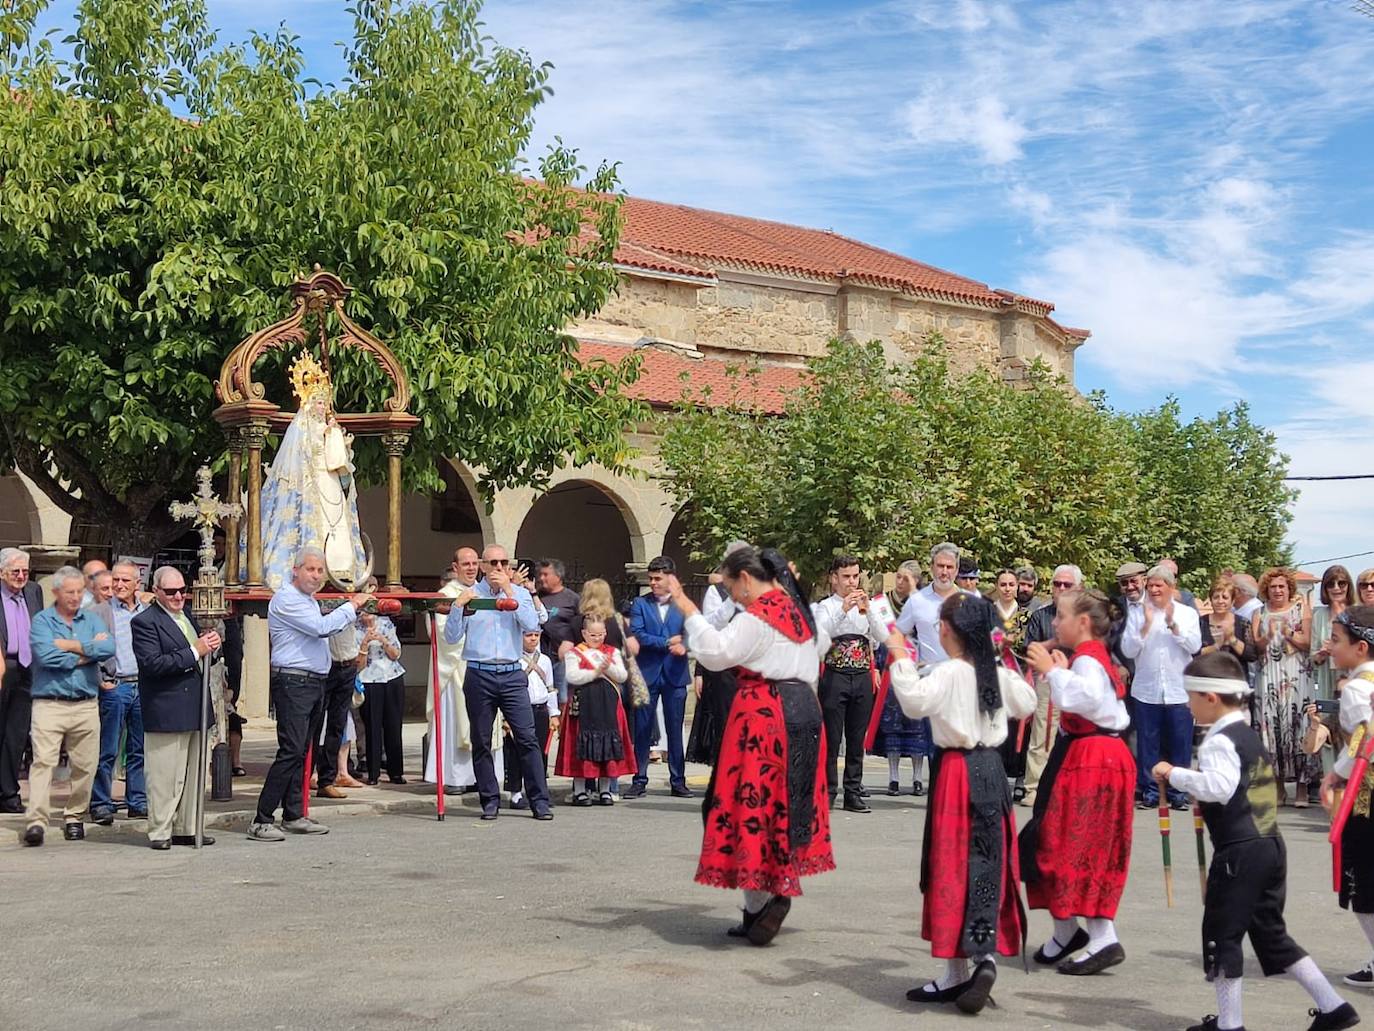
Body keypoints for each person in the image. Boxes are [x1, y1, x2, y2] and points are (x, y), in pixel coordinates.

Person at [1161, 650, 1359, 1031]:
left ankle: (1230, 1024)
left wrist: (1175, 774)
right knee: (1271, 934)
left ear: (1211, 698)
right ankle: (1333, 1006)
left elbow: (1219, 787)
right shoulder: (1247, 734)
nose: (1187, 706)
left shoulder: (1219, 741)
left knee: (1222, 935)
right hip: (1269, 845)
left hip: (1239, 852)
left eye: (1191, 697)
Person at [667, 546, 834, 946]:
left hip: (765, 715)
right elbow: (821, 646)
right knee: (787, 807)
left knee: (746, 807)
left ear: (745, 579)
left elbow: (717, 653)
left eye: (730, 586)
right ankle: (760, 904)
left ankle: (764, 901)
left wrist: (687, 607)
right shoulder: (800, 612)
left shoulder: (758, 616)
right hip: (804, 710)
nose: (732, 594)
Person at [886, 592, 1036, 1014]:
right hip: (991, 770)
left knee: (951, 866)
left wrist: (898, 656)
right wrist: (1000, 660)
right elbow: (1026, 702)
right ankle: (983, 958)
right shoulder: (993, 671)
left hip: (957, 773)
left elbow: (914, 701)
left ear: (947, 630)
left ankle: (956, 972)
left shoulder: (950, 671)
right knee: (986, 863)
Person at [1021, 589, 1135, 976]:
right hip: (1088, 753)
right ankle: (1068, 931)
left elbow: (1086, 700)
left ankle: (1102, 936)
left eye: (1061, 616)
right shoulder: (1088, 656)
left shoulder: (1088, 658)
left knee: (1078, 845)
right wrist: (1058, 666)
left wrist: (1053, 671)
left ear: (1083, 622)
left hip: (1094, 758)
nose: (1055, 622)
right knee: (1053, 838)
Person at [249, 547, 368, 842]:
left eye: (320, 571)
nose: (316, 576)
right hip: (294, 682)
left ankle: (293, 814)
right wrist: (352, 605)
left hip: (314, 682)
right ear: (296, 570)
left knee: (303, 751)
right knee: (291, 750)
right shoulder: (287, 598)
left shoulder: (309, 600)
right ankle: (262, 818)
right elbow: (320, 628)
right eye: (310, 569)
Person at [443, 543, 552, 822]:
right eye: (493, 563)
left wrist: (509, 591)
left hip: (512, 672)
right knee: (481, 740)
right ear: (483, 566)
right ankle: (490, 800)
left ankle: (539, 801)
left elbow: (531, 624)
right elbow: (452, 637)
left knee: (527, 738)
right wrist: (457, 607)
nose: (499, 568)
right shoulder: (472, 595)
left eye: (504, 562)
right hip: (480, 673)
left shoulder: (519, 593)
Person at [256, 353, 368, 591]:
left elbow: (339, 460)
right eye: (318, 402)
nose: (322, 407)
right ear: (308, 403)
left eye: (324, 403)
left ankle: (340, 569)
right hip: (312, 482)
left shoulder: (330, 428)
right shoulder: (303, 428)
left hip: (331, 481)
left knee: (338, 523)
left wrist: (339, 442)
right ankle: (312, 568)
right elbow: (298, 455)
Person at [22, 566, 115, 846]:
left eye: (79, 592)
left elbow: (108, 649)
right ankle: (36, 821)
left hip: (85, 704)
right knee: (43, 762)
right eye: (69, 592)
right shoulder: (42, 621)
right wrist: (86, 651)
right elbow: (46, 656)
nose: (75, 597)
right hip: (49, 703)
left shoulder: (92, 618)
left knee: (86, 765)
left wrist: (68, 645)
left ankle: (74, 815)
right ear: (56, 592)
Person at [131, 566, 220, 850]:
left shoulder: (189, 616)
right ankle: (160, 830)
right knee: (165, 776)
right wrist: (195, 651)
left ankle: (187, 827)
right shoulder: (145, 622)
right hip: (167, 708)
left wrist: (211, 647)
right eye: (171, 592)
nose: (178, 596)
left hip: (195, 705)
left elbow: (203, 656)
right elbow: (153, 664)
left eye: (182, 590)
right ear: (156, 591)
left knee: (195, 774)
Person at [1321, 606, 1374, 989]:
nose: (1330, 646)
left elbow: (1364, 740)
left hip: (1366, 795)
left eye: (1336, 640)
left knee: (1361, 881)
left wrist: (1335, 774)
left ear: (1361, 647)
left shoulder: (1356, 689)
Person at [1121, 564, 1201, 810]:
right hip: (1147, 690)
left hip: (1178, 690)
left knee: (1180, 743)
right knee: (1148, 744)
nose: (1154, 590)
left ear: (1171, 587)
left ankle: (1178, 792)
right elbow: (1127, 650)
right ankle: (1151, 791)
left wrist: (1173, 625)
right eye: (1151, 585)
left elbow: (1195, 646)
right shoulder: (1138, 613)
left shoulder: (1187, 613)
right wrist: (1145, 627)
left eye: (1159, 585)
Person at [812, 555, 882, 812]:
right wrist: (843, 609)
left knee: (856, 738)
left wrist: (870, 611)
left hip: (861, 675)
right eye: (846, 577)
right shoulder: (825, 606)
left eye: (855, 576)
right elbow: (821, 635)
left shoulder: (869, 604)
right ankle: (829, 791)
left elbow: (881, 637)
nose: (852, 582)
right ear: (834, 578)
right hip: (835, 675)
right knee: (831, 737)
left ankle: (853, 791)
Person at [89, 561, 149, 824]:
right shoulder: (98, 612)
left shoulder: (147, 611)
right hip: (116, 686)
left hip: (143, 686)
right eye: (116, 580)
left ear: (137, 584)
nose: (120, 585)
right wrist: (101, 680)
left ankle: (137, 801)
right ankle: (101, 802)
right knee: (108, 749)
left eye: (125, 580)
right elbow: (87, 650)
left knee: (139, 749)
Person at [1251, 567, 1317, 806]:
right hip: (1269, 677)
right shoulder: (1259, 612)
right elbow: (1255, 647)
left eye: (1282, 586)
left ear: (1289, 589)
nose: (1278, 590)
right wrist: (1268, 636)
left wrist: (1288, 633)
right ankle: (1278, 787)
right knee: (1273, 731)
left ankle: (1302, 788)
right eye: (1273, 587)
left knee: (1299, 729)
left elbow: (1308, 643)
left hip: (1296, 677)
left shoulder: (1301, 609)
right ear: (1266, 590)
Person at [628, 556, 692, 799]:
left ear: (670, 578)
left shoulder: (683, 603)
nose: (653, 583)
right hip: (648, 673)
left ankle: (678, 780)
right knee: (643, 728)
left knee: (675, 729)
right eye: (651, 578)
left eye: (658, 578)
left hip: (675, 673)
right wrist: (666, 642)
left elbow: (694, 632)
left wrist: (685, 644)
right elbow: (638, 633)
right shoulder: (640, 603)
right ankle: (639, 779)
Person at [1020, 564, 1084, 807]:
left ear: (1079, 587)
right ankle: (1034, 788)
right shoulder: (1041, 615)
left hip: (1079, 677)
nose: (1062, 588)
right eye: (1057, 584)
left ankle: (1070, 788)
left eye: (1067, 584)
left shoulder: (1086, 616)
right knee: (1043, 734)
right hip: (1047, 680)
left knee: (1078, 735)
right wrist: (1053, 643)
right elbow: (1030, 649)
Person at [561, 618, 635, 806]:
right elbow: (572, 676)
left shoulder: (612, 652)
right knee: (582, 746)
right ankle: (580, 791)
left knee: (607, 744)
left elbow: (622, 675)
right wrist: (595, 673)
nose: (597, 638)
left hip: (608, 703)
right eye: (593, 635)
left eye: (600, 634)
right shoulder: (575, 653)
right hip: (584, 703)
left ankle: (605, 790)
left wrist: (607, 667)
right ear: (584, 633)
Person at [686, 543, 747, 766]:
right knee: (725, 720)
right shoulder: (717, 592)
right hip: (725, 667)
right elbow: (711, 626)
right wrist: (732, 600)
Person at [427, 550, 482, 792]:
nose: (471, 568)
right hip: (455, 667)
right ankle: (455, 777)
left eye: (474, 563)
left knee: (482, 724)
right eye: (465, 564)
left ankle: (480, 776)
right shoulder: (445, 595)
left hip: (482, 666)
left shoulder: (484, 591)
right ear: (455, 566)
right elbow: (442, 634)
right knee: (455, 723)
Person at [0, 548, 44, 814]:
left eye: (25, 571)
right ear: (1, 572)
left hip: (27, 668)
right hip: (2, 664)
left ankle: (8, 793)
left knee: (16, 734)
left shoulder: (34, 591)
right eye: (15, 571)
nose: (20, 576)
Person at [507, 630, 558, 810]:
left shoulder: (545, 660)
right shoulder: (513, 658)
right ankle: (515, 793)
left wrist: (554, 713)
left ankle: (540, 791)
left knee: (540, 753)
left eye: (536, 635)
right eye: (528, 635)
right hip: (520, 710)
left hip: (541, 709)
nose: (533, 638)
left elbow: (550, 687)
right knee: (516, 752)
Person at [356, 606, 406, 785]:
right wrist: (365, 644)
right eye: (363, 611)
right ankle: (373, 773)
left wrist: (383, 640)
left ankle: (396, 772)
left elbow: (396, 654)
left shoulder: (386, 623)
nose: (367, 614)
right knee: (372, 727)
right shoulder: (355, 628)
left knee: (394, 726)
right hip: (369, 679)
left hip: (392, 677)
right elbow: (358, 665)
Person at [896, 542, 963, 663]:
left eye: (949, 567)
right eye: (940, 566)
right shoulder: (916, 601)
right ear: (932, 567)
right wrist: (905, 664)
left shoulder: (970, 601)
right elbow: (898, 634)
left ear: (957, 570)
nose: (944, 572)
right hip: (929, 672)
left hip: (962, 672)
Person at [536, 559, 580, 706]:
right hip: (540, 656)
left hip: (562, 659)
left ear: (558, 576)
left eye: (545, 574)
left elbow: (580, 626)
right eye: (540, 574)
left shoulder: (572, 599)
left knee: (562, 698)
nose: (541, 578)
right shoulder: (536, 596)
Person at [1312, 565, 1357, 705]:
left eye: (1341, 583)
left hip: (1353, 676)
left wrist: (1340, 649)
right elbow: (1313, 657)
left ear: (1349, 586)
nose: (1336, 588)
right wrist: (1321, 654)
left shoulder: (1357, 612)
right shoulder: (1318, 615)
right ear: (1325, 589)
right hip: (1327, 678)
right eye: (1331, 584)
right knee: (1326, 715)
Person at [1199, 577, 1259, 672]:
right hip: (1207, 675)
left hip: (1235, 676)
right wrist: (1217, 645)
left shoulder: (1243, 623)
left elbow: (1252, 655)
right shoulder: (1201, 622)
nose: (1220, 601)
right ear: (1211, 600)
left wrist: (1232, 639)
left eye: (1225, 597)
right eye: (1216, 597)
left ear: (1232, 601)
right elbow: (1194, 654)